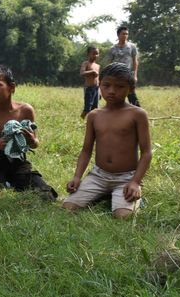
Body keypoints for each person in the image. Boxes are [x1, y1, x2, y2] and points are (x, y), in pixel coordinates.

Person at [64, 63, 152, 218]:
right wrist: (77, 177)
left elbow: (146, 153)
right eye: (106, 85)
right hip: (98, 176)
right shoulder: (94, 115)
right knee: (68, 207)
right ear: (99, 85)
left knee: (122, 216)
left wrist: (135, 182)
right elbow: (86, 150)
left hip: (126, 177)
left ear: (130, 89)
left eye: (119, 86)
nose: (112, 91)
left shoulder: (137, 114)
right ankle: (106, 194)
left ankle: (128, 195)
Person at [0, 65, 58, 201]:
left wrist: (31, 140)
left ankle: (15, 184)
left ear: (11, 87)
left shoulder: (25, 110)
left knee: (46, 194)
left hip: (19, 162)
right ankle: (8, 185)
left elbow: (35, 143)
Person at [107, 26, 140, 107]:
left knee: (131, 94)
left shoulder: (132, 46)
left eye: (127, 34)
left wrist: (135, 75)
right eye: (123, 34)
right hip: (116, 75)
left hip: (128, 74)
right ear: (118, 35)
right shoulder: (112, 48)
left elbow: (135, 61)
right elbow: (109, 63)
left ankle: (138, 111)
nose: (125, 35)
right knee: (117, 94)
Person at [80, 46, 100, 119]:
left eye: (97, 54)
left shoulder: (97, 66)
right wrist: (92, 71)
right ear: (88, 54)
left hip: (96, 89)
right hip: (89, 88)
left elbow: (98, 78)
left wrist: (99, 90)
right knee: (87, 108)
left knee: (95, 108)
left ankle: (93, 123)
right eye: (93, 53)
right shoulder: (86, 63)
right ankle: (81, 119)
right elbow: (82, 73)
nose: (96, 55)